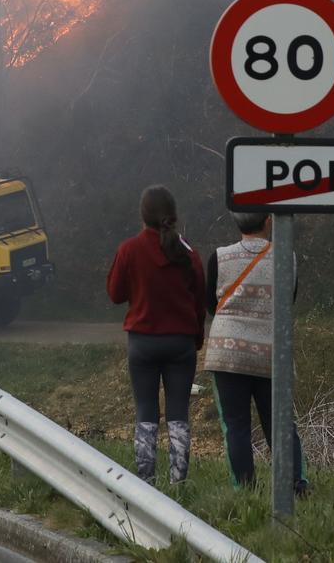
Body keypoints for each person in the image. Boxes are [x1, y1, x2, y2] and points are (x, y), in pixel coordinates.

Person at [105, 184, 206, 486]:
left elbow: (114, 294)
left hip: (143, 343)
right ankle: (178, 484)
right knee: (178, 414)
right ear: (173, 215)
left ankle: (146, 483)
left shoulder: (129, 250)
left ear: (143, 215)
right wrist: (197, 337)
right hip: (180, 344)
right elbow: (199, 300)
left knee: (146, 411)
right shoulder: (188, 253)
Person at [202, 210, 306, 495]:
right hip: (272, 354)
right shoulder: (288, 257)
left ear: (237, 223)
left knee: (235, 427)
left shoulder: (219, 257)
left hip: (227, 354)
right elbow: (288, 301)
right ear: (268, 221)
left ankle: (245, 490)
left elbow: (211, 304)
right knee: (281, 423)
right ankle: (294, 485)